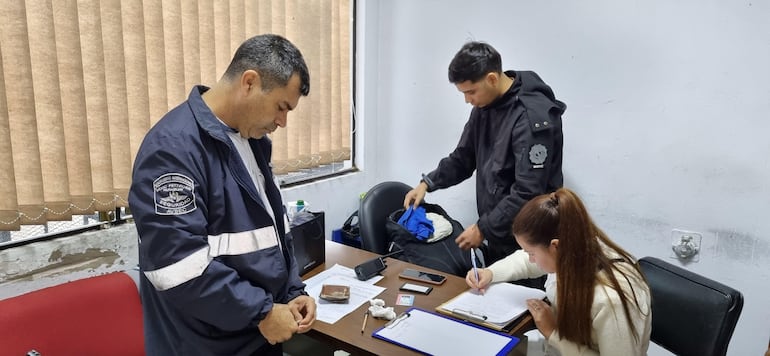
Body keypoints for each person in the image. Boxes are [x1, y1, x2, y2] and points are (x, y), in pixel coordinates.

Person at [128, 34, 316, 356]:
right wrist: (262, 312)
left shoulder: (252, 141)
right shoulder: (173, 149)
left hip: (255, 332)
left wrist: (292, 291)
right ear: (249, 82)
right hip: (204, 343)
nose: (283, 122)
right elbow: (177, 266)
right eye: (282, 107)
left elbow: (271, 232)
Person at [403, 41, 567, 270]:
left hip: (534, 237)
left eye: (470, 92)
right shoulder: (485, 107)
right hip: (500, 231)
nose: (467, 100)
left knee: (529, 301)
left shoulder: (530, 118)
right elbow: (464, 157)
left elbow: (528, 192)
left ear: (491, 78)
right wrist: (427, 183)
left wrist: (483, 228)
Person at [466, 187, 652, 356]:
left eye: (532, 253)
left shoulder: (611, 300)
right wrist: (491, 273)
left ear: (555, 246)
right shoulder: (576, 249)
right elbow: (526, 261)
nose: (530, 259)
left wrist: (552, 332)